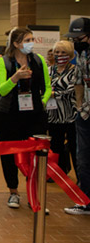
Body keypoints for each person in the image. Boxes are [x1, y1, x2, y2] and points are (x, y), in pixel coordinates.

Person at [0, 27, 51, 209]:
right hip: (8, 115)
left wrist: (41, 101)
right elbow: (2, 90)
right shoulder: (3, 62)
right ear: (16, 44)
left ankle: (34, 193)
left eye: (32, 39)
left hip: (34, 115)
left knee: (35, 155)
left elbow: (48, 86)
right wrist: (16, 77)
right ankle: (13, 192)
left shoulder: (38, 60)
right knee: (8, 155)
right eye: (27, 40)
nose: (31, 43)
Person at [64, 17, 90, 215]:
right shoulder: (81, 54)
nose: (76, 41)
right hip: (85, 115)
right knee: (82, 159)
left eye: (79, 37)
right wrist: (80, 105)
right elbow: (79, 81)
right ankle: (85, 201)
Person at [46, 41, 78, 177]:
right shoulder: (48, 70)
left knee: (75, 148)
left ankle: (80, 176)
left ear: (70, 54)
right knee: (55, 147)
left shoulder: (75, 70)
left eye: (63, 52)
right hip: (53, 116)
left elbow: (71, 91)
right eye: (57, 52)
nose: (59, 55)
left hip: (71, 115)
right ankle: (57, 174)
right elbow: (44, 88)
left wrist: (52, 93)